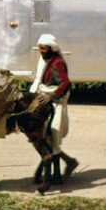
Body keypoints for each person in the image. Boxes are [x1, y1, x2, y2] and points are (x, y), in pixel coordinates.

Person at [30, 34, 78, 184]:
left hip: (56, 102)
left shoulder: (58, 63)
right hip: (44, 98)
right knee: (44, 136)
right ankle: (61, 166)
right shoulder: (45, 60)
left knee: (54, 133)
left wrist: (52, 96)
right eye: (40, 48)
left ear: (51, 48)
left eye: (44, 48)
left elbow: (65, 84)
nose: (41, 51)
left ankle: (56, 175)